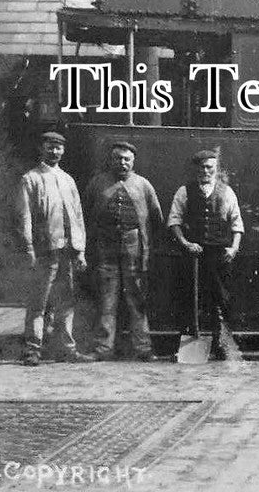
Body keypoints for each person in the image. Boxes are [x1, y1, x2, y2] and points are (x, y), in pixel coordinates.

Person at [15, 131, 92, 366]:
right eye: (50, 146)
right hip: (44, 251)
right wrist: (28, 249)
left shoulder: (68, 180)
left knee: (66, 302)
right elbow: (23, 217)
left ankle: (67, 349)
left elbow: (77, 217)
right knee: (39, 302)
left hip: (68, 251)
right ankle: (33, 349)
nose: (54, 151)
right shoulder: (30, 179)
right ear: (41, 148)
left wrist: (80, 251)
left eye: (58, 147)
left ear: (63, 151)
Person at [83, 141, 164, 362]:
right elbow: (87, 212)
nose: (122, 162)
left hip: (134, 247)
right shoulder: (97, 183)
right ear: (110, 160)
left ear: (133, 162)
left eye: (126, 159)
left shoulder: (143, 185)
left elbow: (156, 218)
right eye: (118, 158)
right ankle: (103, 349)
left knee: (137, 299)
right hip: (105, 248)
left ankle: (143, 348)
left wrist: (145, 245)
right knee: (107, 300)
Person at [167, 149, 245, 361]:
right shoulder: (184, 192)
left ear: (216, 169)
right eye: (202, 167)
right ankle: (190, 348)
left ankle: (221, 345)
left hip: (219, 254)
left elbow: (237, 223)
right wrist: (186, 243)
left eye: (210, 167)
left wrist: (234, 248)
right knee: (190, 299)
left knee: (220, 300)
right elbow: (174, 221)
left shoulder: (226, 192)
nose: (205, 171)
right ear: (196, 169)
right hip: (193, 254)